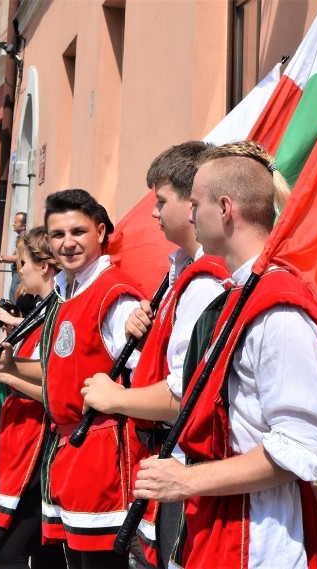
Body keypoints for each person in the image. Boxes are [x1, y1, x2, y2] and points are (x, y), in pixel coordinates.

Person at [90, 141, 317, 568]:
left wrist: (187, 479)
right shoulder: (238, 295)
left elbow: (298, 445)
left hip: (260, 532)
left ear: (225, 208)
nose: (189, 215)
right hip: (224, 517)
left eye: (195, 203)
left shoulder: (280, 309)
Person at [0, 189, 145, 568]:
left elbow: (147, 378)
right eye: (58, 235)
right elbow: (60, 373)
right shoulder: (66, 292)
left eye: (78, 231)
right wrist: (7, 366)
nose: (68, 243)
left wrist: (114, 400)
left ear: (100, 232)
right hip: (67, 449)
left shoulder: (115, 296)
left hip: (103, 450)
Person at [81, 140, 229, 567]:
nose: (153, 212)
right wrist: (145, 337)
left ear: (191, 203)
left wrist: (115, 398)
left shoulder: (206, 282)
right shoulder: (180, 268)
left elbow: (187, 394)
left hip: (183, 459)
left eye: (161, 200)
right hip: (163, 455)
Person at [0, 226, 67, 569]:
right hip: (26, 439)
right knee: (46, 553)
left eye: (22, 262)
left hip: (43, 446)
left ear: (43, 266)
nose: (20, 270)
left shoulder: (59, 312)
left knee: (7, 553)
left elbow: (59, 391)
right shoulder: (39, 311)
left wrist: (6, 373)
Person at [0, 212, 28, 302]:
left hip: (19, 272)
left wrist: (1, 258)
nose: (13, 224)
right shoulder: (20, 237)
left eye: (16, 223)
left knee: (15, 294)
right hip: (16, 271)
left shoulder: (25, 238)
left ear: (24, 226)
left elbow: (18, 257)